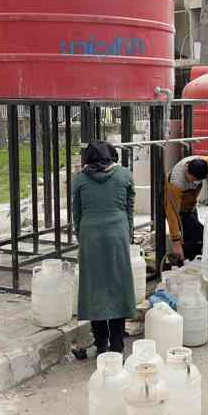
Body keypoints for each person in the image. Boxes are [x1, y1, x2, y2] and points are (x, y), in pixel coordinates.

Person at [73, 141, 136, 357]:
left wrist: (81, 234)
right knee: (118, 285)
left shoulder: (79, 179)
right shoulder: (125, 175)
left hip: (90, 235)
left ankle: (101, 344)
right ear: (113, 157)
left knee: (95, 288)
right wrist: (127, 231)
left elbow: (77, 213)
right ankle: (117, 344)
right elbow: (129, 206)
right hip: (117, 233)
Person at [164, 153, 208, 263]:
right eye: (192, 179)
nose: (194, 182)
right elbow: (172, 214)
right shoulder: (176, 183)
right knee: (195, 237)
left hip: (190, 207)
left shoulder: (202, 162)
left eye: (197, 181)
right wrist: (176, 242)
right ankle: (181, 263)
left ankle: (191, 262)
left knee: (197, 237)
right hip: (179, 211)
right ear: (187, 168)